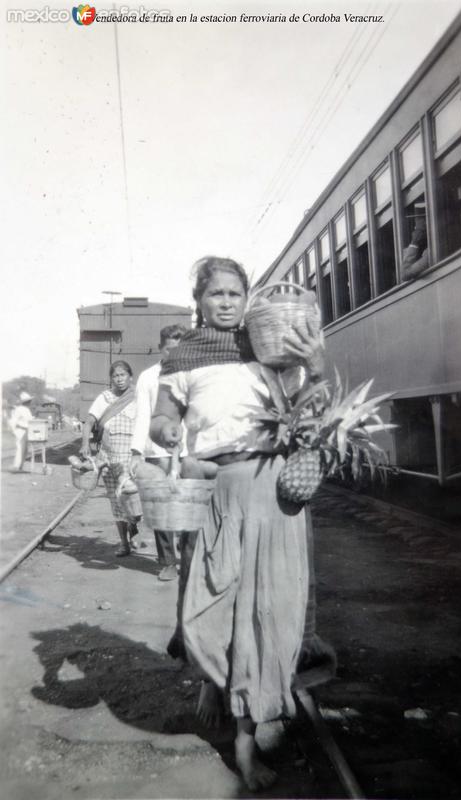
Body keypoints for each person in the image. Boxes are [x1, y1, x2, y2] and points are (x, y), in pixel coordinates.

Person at [150, 256, 326, 791]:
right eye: (215, 294)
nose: (226, 303)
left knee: (265, 614)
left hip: (275, 491)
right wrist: (165, 435)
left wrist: (317, 368)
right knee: (212, 600)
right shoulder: (182, 358)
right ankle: (213, 678)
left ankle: (245, 744)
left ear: (248, 298)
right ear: (198, 302)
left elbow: (313, 409)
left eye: (235, 293)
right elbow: (163, 418)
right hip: (218, 491)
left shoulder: (270, 349)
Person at [130, 324, 187, 581]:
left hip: (188, 451)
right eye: (169, 350)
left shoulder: (193, 373)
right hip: (156, 451)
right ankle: (168, 562)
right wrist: (136, 451)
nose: (174, 355)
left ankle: (190, 558)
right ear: (160, 348)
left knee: (189, 506)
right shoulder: (148, 377)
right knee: (161, 508)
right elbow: (142, 415)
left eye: (179, 350)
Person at [80, 360, 142, 557]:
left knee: (132, 500)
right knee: (116, 503)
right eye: (115, 376)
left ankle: (133, 527)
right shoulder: (104, 398)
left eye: (123, 375)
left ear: (130, 377)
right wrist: (84, 444)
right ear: (111, 379)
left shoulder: (138, 397)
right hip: (108, 457)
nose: (119, 379)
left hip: (130, 458)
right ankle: (124, 543)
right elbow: (90, 421)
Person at [9, 391, 33, 472]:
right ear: (26, 402)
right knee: (20, 448)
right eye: (29, 401)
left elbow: (29, 421)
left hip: (26, 431)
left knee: (25, 449)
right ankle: (16, 466)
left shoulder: (27, 410)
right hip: (20, 430)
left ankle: (20, 466)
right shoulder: (18, 409)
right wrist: (13, 431)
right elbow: (13, 420)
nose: (30, 402)